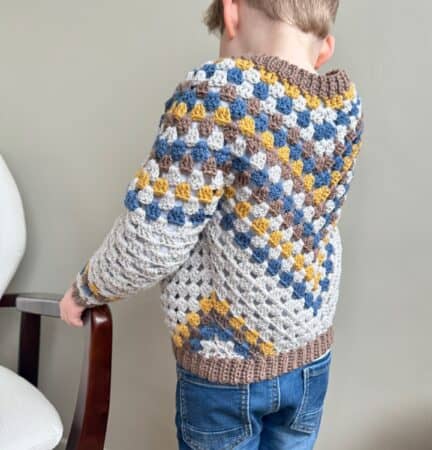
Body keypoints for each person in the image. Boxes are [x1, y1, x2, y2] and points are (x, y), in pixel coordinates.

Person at [59, 0, 364, 448]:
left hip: (226, 371)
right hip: (311, 359)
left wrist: (87, 289)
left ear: (231, 13)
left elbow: (153, 239)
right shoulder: (344, 109)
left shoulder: (217, 94)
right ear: (324, 49)